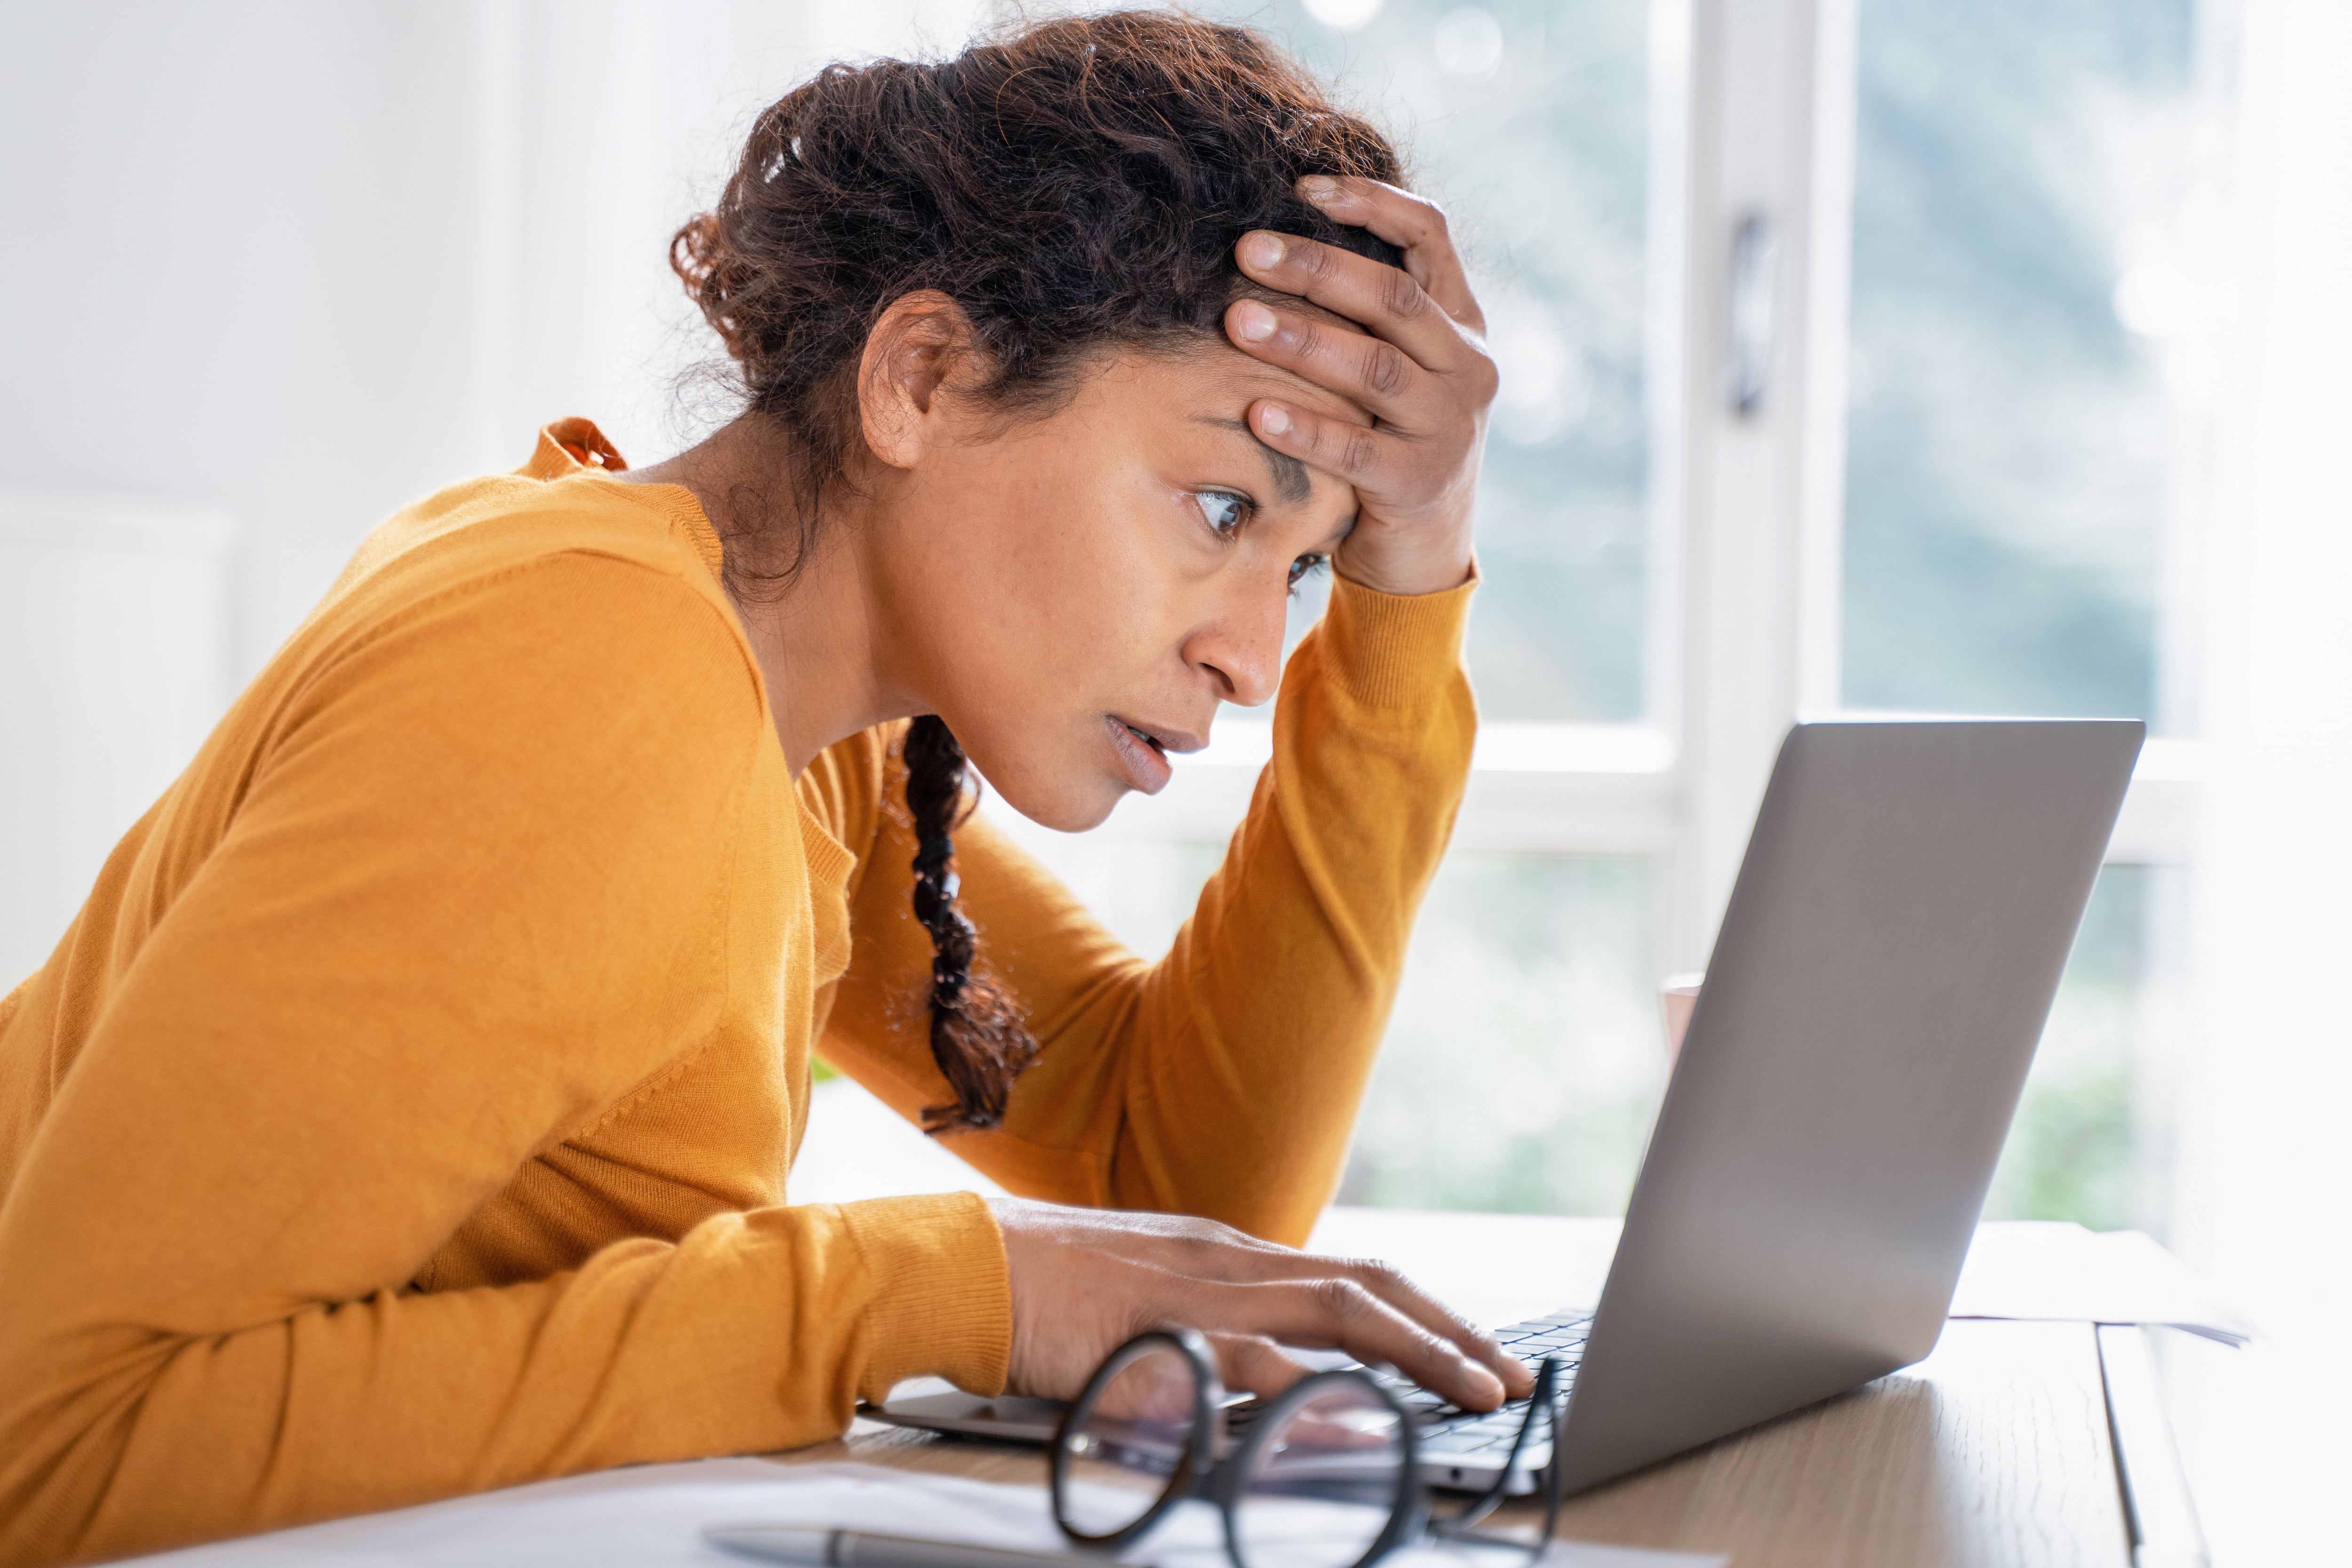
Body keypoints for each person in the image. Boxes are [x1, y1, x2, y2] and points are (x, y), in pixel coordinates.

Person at [0, 11, 1523, 1563]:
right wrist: (917, 1292)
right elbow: (54, 1439)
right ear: (921, 376)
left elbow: (1177, 1187)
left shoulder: (810, 728)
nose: (1257, 660)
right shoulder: (592, 673)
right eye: (1218, 506)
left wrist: (1416, 584)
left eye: (1310, 569)